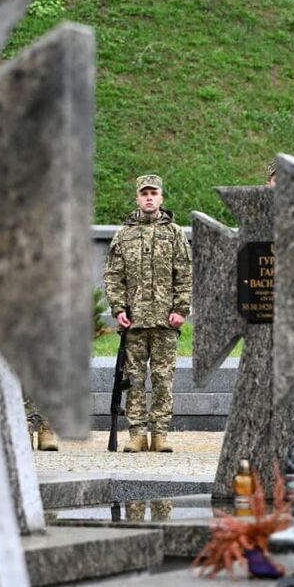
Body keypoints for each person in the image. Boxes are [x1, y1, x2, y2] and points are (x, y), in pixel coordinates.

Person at [103, 174, 192, 453]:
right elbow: (113, 276)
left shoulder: (174, 233)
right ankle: (137, 434)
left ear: (161, 197)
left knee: (164, 379)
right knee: (134, 379)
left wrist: (180, 309)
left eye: (154, 193)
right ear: (138, 198)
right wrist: (118, 309)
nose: (149, 198)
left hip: (166, 321)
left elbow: (185, 275)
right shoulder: (124, 234)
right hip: (135, 321)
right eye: (144, 194)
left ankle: (160, 433)